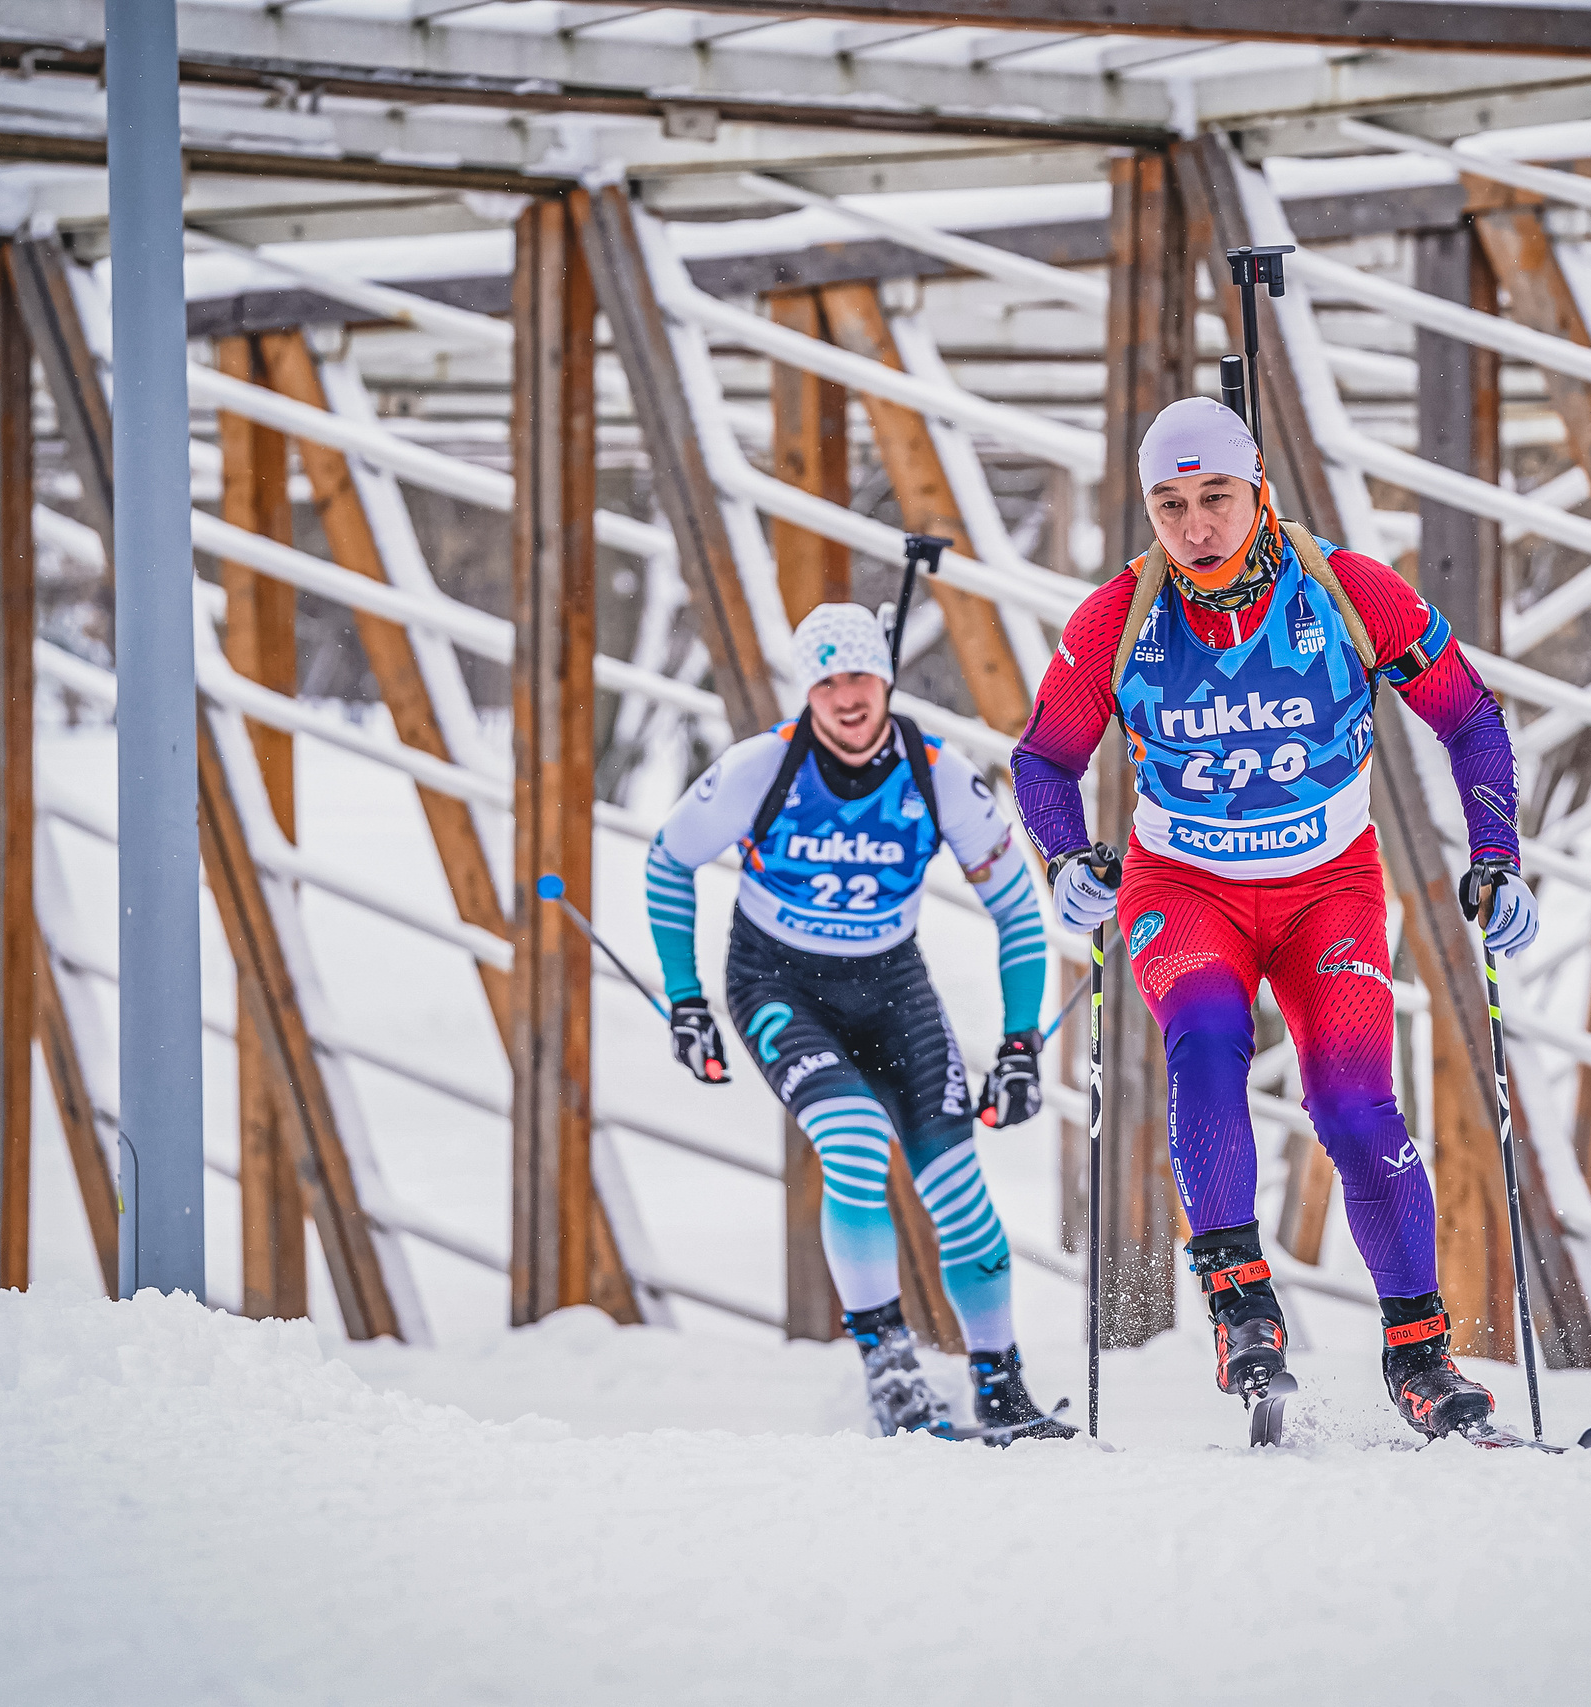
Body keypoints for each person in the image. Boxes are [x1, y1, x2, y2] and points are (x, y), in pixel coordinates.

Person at [1010, 396, 1541, 1443]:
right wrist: (1067, 855)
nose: (1195, 528)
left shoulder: (1348, 590)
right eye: (1169, 506)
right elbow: (1044, 759)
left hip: (1324, 888)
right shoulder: (1115, 619)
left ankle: (1420, 1358)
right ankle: (1241, 1308)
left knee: (1353, 1105)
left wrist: (1497, 860)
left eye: (1215, 498)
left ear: (1257, 490)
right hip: (1185, 889)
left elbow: (1469, 718)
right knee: (1205, 1043)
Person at [646, 600, 1073, 1442]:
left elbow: (1018, 909)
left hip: (891, 988)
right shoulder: (758, 768)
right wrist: (685, 998)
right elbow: (670, 859)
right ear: (808, 689)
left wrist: (1021, 1042)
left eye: (862, 677)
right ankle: (889, 1365)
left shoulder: (936, 770)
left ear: (885, 678)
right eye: (828, 680)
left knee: (960, 1189)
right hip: (778, 984)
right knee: (851, 1138)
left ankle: (1001, 1385)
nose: (847, 697)